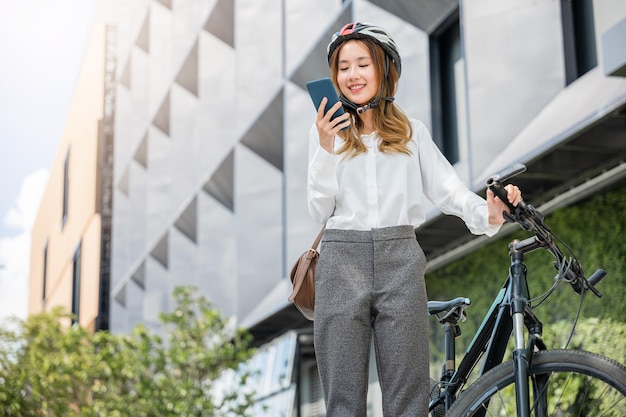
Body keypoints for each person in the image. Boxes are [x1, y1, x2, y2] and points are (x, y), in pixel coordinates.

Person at [307, 22, 522, 417]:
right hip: (340, 263)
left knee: (409, 403)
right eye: (343, 67)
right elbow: (319, 211)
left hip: (400, 260)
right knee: (343, 404)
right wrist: (324, 149)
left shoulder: (411, 133)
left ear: (386, 70)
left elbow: (450, 191)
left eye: (363, 64)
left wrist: (486, 213)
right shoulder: (327, 136)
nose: (352, 75)